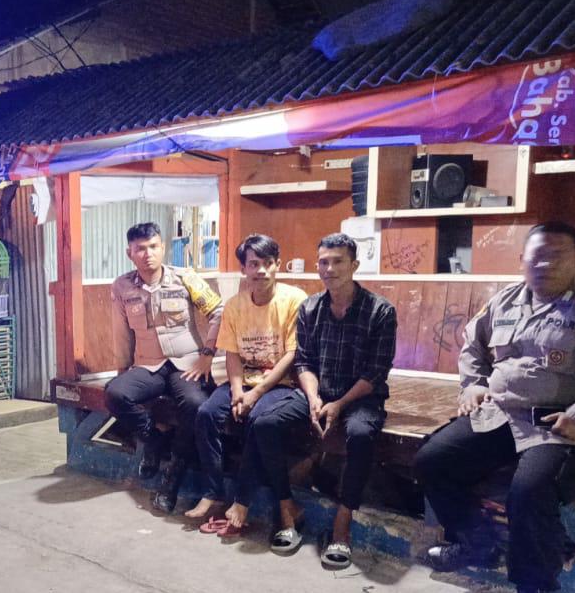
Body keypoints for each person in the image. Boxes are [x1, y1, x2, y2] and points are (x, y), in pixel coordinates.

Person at [414, 222, 575, 593]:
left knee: (529, 491)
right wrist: (473, 385)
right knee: (432, 460)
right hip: (500, 416)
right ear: (522, 259)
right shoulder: (505, 300)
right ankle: (477, 543)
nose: (545, 264)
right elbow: (473, 345)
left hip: (562, 426)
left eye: (557, 256)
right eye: (537, 256)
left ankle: (535, 584)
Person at [254, 232, 396, 568]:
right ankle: (287, 507)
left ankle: (342, 522)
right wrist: (314, 397)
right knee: (264, 423)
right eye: (323, 262)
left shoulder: (380, 311)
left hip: (361, 397)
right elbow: (304, 361)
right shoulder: (310, 307)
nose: (329, 269)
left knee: (360, 434)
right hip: (318, 392)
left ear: (354, 265)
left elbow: (376, 372)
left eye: (337, 261)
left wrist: (339, 404)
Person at [185, 234, 309, 544]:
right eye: (254, 264)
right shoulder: (235, 305)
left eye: (268, 263)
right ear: (244, 269)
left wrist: (256, 393)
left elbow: (292, 355)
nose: (261, 271)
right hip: (245, 380)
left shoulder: (295, 300)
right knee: (206, 413)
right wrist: (238, 389)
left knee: (257, 421)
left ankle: (242, 500)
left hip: (281, 383)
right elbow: (232, 354)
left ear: (278, 265)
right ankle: (213, 492)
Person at [106, 221, 224, 513]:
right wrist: (123, 371)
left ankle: (172, 478)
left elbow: (219, 312)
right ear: (129, 253)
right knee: (115, 393)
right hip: (148, 365)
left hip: (187, 363)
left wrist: (207, 355)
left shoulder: (185, 278)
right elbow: (122, 333)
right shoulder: (122, 286)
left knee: (195, 405)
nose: (148, 254)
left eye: (153, 247)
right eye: (140, 249)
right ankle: (155, 439)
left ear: (163, 247)